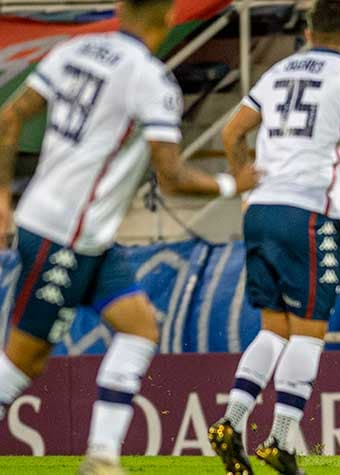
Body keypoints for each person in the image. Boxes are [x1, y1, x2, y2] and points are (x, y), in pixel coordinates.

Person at [0, 1, 259, 473]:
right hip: (65, 234)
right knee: (24, 361)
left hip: (85, 234)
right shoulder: (149, 78)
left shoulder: (73, 49)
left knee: (139, 328)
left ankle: (101, 457)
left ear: (122, 8)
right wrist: (232, 183)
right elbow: (172, 177)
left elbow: (10, 115)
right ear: (168, 18)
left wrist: (2, 198)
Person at [206, 1, 340, 474]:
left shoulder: (277, 71)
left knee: (273, 326)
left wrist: (244, 178)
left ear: (306, 30)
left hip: (259, 210)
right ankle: (279, 440)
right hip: (307, 212)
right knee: (310, 329)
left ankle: (231, 421)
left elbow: (231, 132)